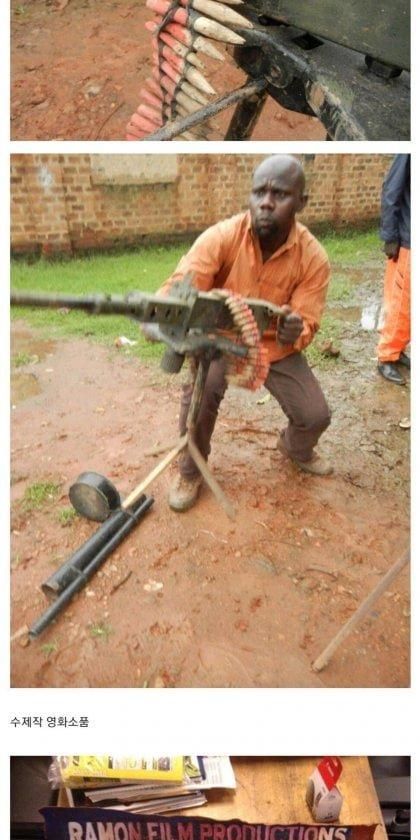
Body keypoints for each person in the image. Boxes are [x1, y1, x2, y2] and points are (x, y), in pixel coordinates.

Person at [158, 155, 333, 512]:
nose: (266, 202)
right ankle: (191, 470)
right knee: (201, 394)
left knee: (315, 416)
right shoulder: (222, 237)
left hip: (272, 346)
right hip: (220, 340)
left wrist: (295, 329)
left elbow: (307, 320)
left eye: (279, 194)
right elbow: (178, 288)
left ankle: (295, 448)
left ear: (301, 202)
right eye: (259, 192)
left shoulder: (313, 258)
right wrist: (170, 311)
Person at [377, 154, 411, 385]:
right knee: (401, 304)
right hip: (409, 241)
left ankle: (398, 350)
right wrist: (390, 236)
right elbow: (391, 190)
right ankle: (386, 356)